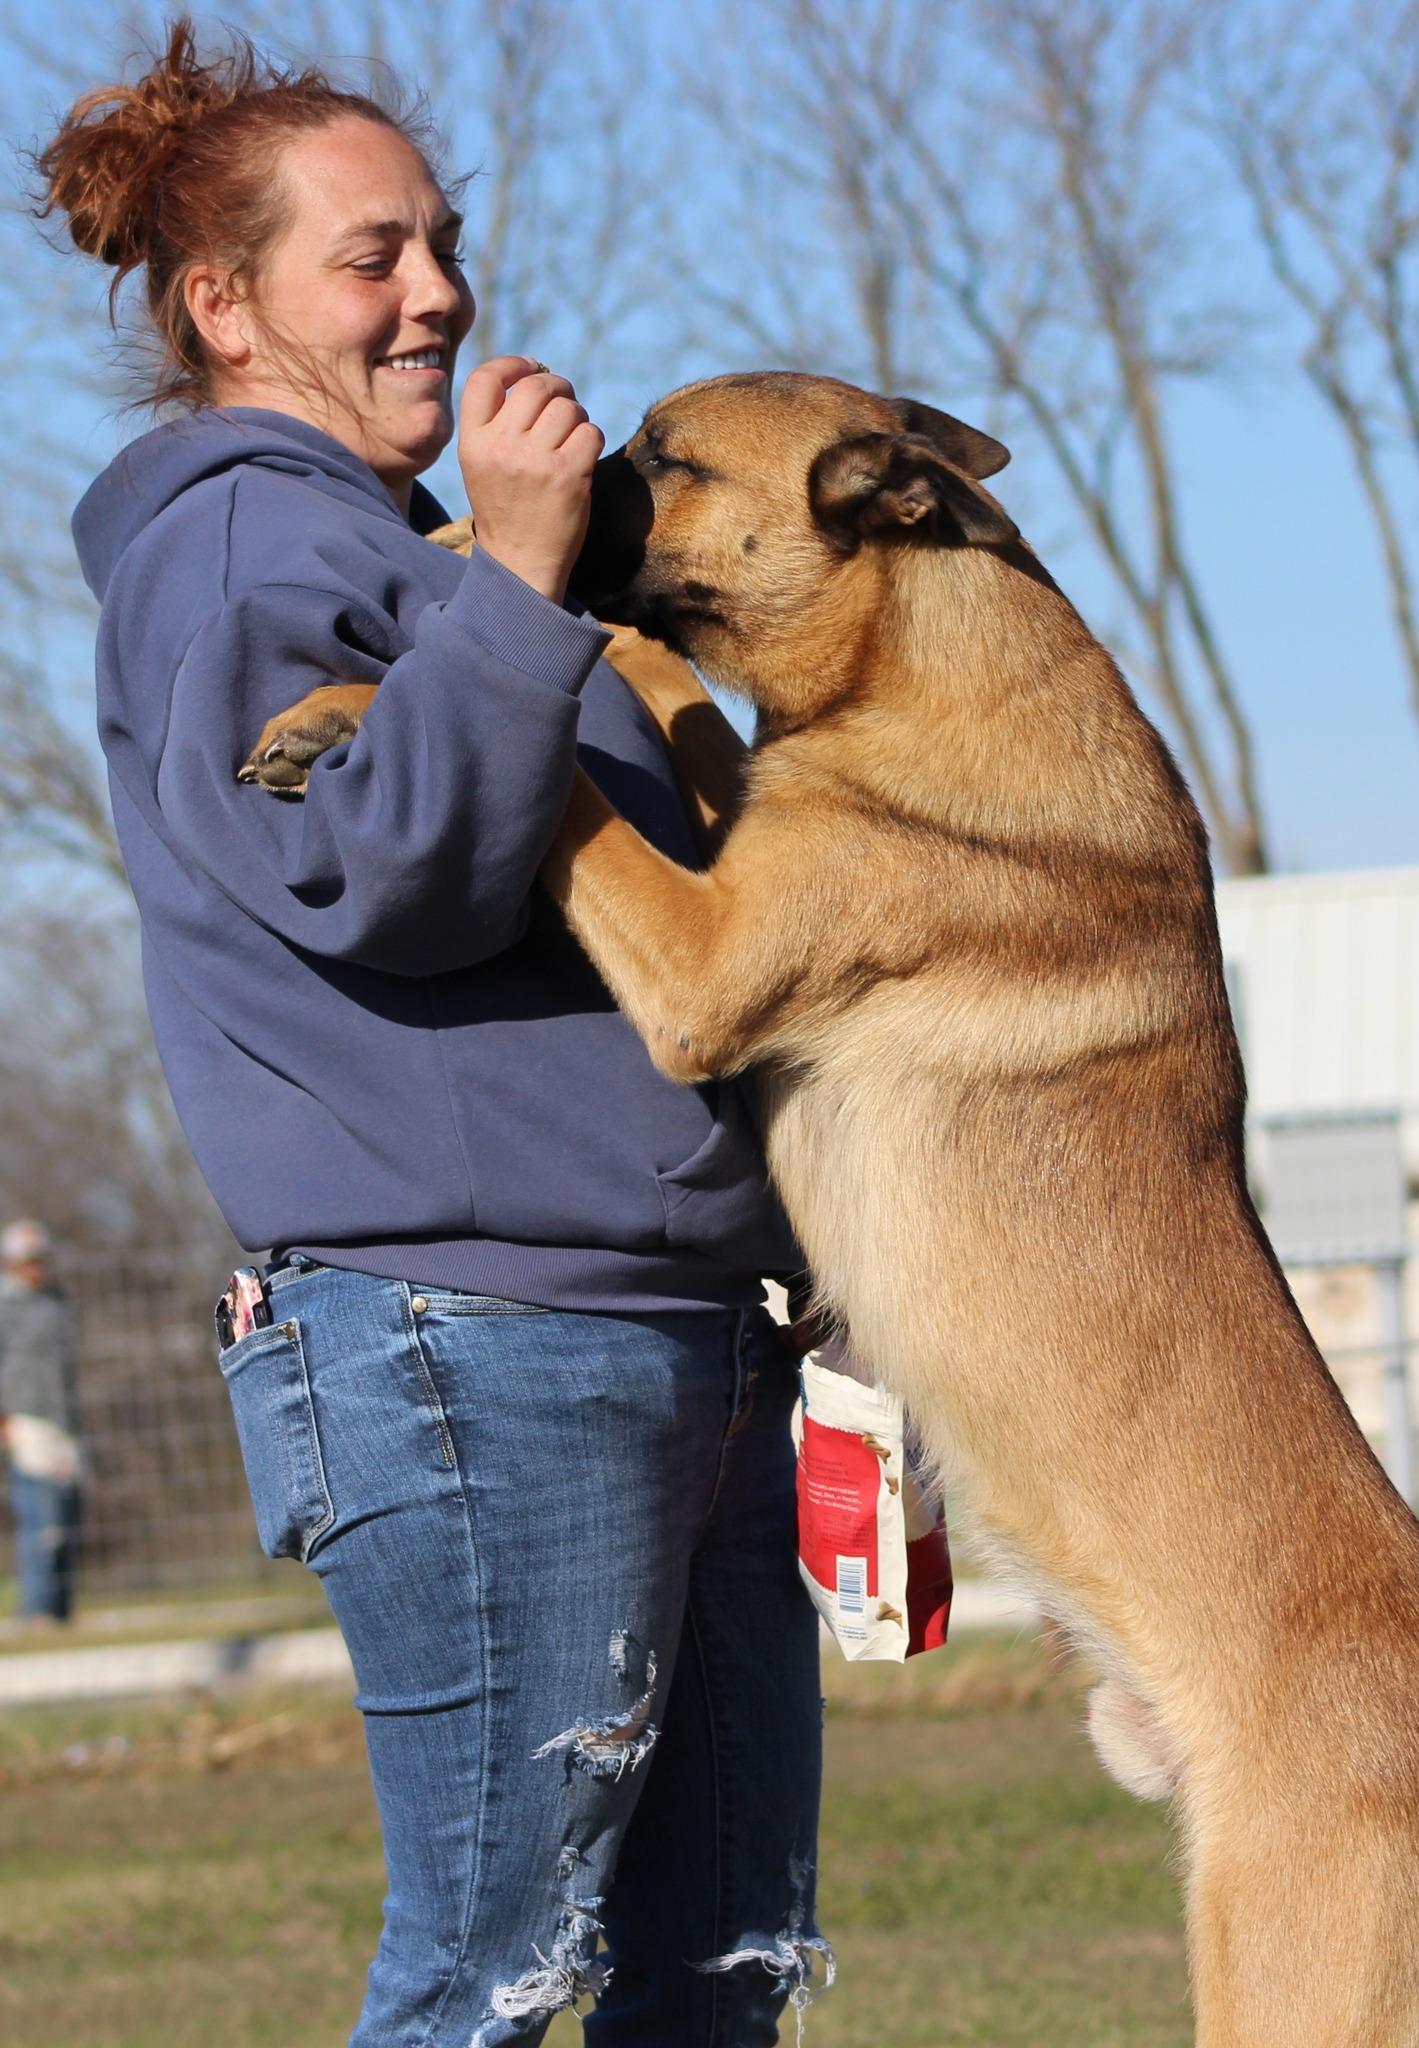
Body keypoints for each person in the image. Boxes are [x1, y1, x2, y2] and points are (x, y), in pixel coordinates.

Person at [37, 20, 824, 2045]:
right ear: (224, 303)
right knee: (490, 1977)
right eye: (370, 255)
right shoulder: (245, 550)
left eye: (445, 244)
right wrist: (529, 579)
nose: (441, 294)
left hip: (669, 1328)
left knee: (714, 1968)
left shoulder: (408, 559)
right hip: (482, 1347)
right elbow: (374, 872)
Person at [0, 1219, 85, 1627]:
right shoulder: (4, 1305)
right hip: (25, 1418)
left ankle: (60, 1610)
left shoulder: (57, 1301)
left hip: (63, 1420)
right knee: (42, 1518)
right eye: (26, 1261)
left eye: (40, 1259)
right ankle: (36, 1611)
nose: (35, 1268)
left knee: (67, 1516)